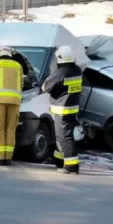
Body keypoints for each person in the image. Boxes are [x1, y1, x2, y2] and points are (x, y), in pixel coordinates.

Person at [41, 45, 82, 174]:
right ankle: (59, 161)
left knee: (64, 137)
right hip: (72, 108)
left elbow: (45, 87)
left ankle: (71, 166)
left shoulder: (61, 72)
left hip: (62, 110)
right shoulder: (77, 70)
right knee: (61, 137)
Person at [0, 47, 23, 166]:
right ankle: (8, 158)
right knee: (11, 129)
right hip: (15, 102)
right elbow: (22, 84)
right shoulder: (18, 66)